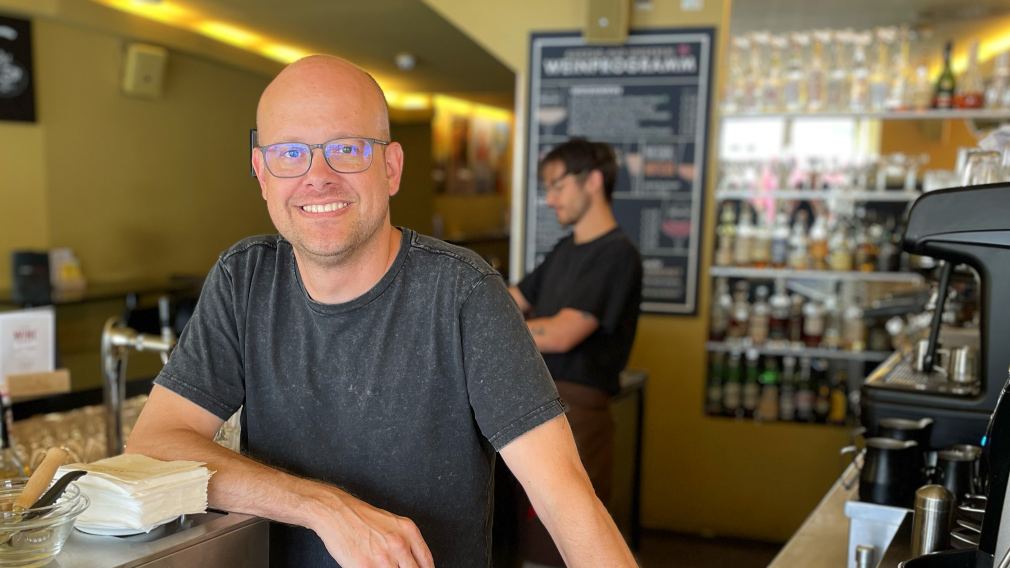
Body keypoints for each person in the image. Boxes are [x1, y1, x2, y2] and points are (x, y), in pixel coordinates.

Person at [125, 55, 637, 568]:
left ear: (390, 168)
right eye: (289, 153)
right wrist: (324, 508)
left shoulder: (463, 293)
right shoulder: (245, 279)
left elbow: (566, 498)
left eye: (346, 149)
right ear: (261, 173)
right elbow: (155, 443)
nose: (317, 177)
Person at [509, 138, 643, 567]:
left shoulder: (617, 255)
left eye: (557, 185)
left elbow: (564, 333)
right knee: (530, 539)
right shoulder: (565, 251)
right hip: (534, 406)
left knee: (568, 544)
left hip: (580, 413)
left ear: (594, 181)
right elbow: (513, 298)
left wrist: (494, 334)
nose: (550, 199)